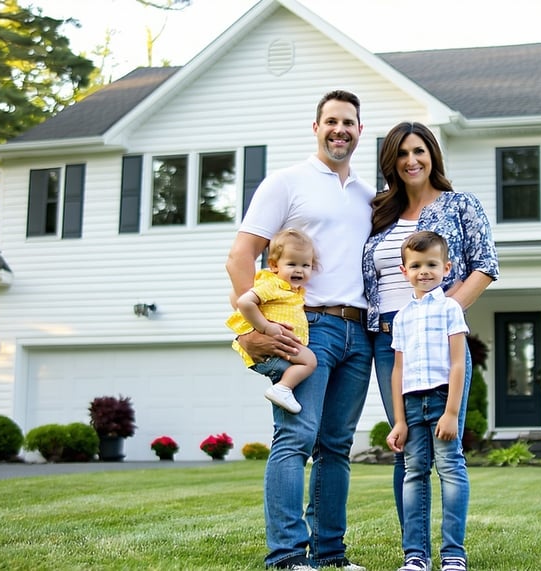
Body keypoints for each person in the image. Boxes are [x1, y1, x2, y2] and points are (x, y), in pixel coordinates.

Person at [225, 90, 373, 571]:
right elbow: (240, 256)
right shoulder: (286, 182)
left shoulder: (370, 197)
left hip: (359, 331)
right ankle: (287, 555)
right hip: (308, 331)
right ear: (316, 128)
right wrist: (258, 326)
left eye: (348, 122)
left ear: (359, 131)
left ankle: (330, 553)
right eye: (331, 121)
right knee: (295, 440)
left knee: (336, 448)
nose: (340, 129)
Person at [362, 121, 499, 534]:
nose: (411, 160)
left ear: (432, 155)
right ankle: (415, 550)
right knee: (409, 447)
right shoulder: (378, 212)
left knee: (446, 452)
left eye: (418, 151)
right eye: (402, 153)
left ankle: (452, 546)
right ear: (392, 162)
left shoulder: (460, 204)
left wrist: (440, 314)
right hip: (388, 338)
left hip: (440, 338)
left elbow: (485, 266)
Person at [386, 231, 470, 571]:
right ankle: (416, 555)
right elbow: (397, 371)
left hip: (440, 398)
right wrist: (399, 420)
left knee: (450, 469)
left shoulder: (451, 308)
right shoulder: (402, 316)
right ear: (405, 270)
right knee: (414, 472)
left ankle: (453, 553)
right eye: (416, 265)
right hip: (411, 403)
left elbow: (458, 362)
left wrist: (451, 412)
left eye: (432, 264)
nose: (424, 271)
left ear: (446, 268)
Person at [226, 227, 318, 414]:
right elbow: (244, 302)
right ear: (275, 265)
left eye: (305, 265)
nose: (299, 270)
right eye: (292, 264)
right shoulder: (272, 284)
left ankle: (283, 388)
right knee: (310, 361)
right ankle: (283, 388)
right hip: (273, 351)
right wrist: (265, 327)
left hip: (283, 348)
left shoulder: (291, 290)